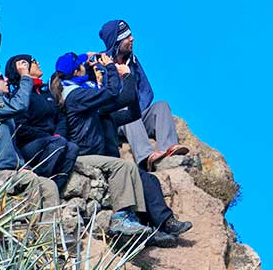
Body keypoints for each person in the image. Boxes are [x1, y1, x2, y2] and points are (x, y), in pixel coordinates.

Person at [52, 52, 190, 245]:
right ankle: (125, 221)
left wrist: (126, 81)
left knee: (148, 179)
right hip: (85, 155)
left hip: (101, 155)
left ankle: (161, 224)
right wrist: (118, 72)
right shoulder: (76, 96)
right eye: (86, 65)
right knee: (127, 168)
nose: (92, 68)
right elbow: (111, 93)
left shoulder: (94, 108)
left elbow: (131, 111)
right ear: (76, 71)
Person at [0, 63, 61, 225]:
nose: (5, 79)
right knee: (30, 181)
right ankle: (28, 231)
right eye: (0, 78)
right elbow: (20, 105)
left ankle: (47, 238)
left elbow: (10, 144)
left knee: (49, 185)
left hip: (13, 169)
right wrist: (25, 77)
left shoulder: (4, 106)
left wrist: (22, 164)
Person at [100, 20, 188, 171]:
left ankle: (168, 148)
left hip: (136, 114)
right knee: (128, 113)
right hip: (117, 120)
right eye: (127, 37)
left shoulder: (132, 61)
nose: (132, 39)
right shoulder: (103, 66)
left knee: (161, 106)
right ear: (117, 41)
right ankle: (147, 157)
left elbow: (146, 90)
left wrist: (137, 108)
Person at [5, 54, 78, 192]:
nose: (38, 62)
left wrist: (57, 134)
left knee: (72, 148)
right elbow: (20, 128)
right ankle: (40, 186)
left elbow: (61, 117)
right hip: (30, 146)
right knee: (58, 144)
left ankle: (56, 189)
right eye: (33, 61)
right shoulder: (20, 97)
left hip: (53, 142)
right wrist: (47, 137)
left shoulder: (46, 94)